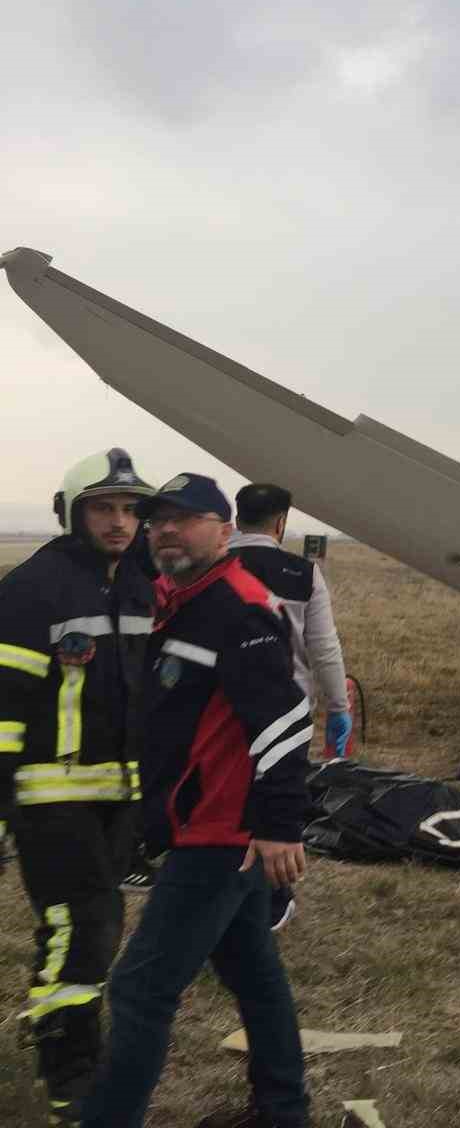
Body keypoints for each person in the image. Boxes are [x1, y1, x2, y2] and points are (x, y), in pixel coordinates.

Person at [80, 474, 314, 1128]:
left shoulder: (237, 607)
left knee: (139, 989)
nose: (165, 531)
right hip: (198, 824)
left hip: (222, 832)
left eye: (184, 519)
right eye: (158, 522)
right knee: (253, 974)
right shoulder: (180, 598)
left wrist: (278, 825)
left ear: (222, 528)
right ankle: (283, 1111)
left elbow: (284, 718)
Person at [0, 448, 156, 1126]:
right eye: (104, 508)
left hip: (119, 797)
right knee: (83, 928)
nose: (120, 522)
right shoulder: (35, 587)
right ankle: (68, 1080)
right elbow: (3, 703)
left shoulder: (140, 586)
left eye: (130, 509)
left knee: (94, 925)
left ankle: (62, 1045)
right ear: (72, 512)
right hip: (49, 794)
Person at [229, 482, 352, 933]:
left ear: (237, 516)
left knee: (226, 801)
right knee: (275, 802)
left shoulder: (213, 565)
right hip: (287, 712)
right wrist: (338, 707)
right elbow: (324, 649)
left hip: (223, 711)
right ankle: (272, 900)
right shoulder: (303, 573)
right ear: (281, 523)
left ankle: (226, 887)